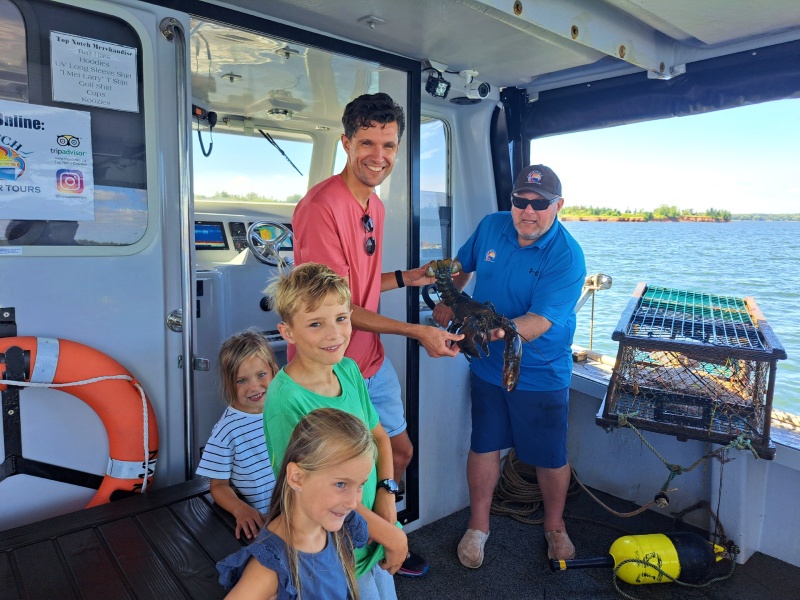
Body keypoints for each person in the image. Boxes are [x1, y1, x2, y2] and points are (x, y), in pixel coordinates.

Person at [292, 92, 462, 577]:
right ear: (346, 143)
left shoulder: (375, 206)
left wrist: (410, 277)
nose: (379, 156)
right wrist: (418, 331)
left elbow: (358, 284)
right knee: (341, 477)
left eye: (389, 145)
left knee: (399, 452)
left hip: (369, 359)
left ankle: (379, 537)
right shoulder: (322, 207)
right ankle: (349, 562)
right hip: (330, 369)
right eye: (367, 142)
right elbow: (334, 307)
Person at [432, 164, 586, 566]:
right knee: (484, 442)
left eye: (540, 203)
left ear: (558, 206)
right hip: (486, 368)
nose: (528, 211)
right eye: (521, 201)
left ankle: (555, 526)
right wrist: (451, 297)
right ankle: (478, 526)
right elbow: (461, 265)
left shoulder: (567, 256)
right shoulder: (491, 226)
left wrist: (493, 330)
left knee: (549, 454)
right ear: (512, 201)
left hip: (540, 370)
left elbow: (539, 321)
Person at [263, 263, 407, 600]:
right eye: (316, 324)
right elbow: (312, 494)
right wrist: (389, 533)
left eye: (341, 318)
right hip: (337, 550)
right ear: (288, 333)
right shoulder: (287, 402)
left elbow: (380, 437)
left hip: (373, 530)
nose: (334, 334)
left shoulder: (348, 370)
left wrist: (387, 495)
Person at [217, 408, 374, 599]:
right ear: (297, 478)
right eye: (341, 484)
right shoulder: (270, 568)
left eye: (360, 486)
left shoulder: (341, 527)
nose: (353, 502)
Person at [196, 330, 279, 540]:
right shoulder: (227, 429)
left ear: (273, 371)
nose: (254, 387)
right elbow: (218, 486)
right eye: (242, 380)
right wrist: (241, 510)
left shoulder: (283, 409)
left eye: (261, 375)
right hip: (264, 523)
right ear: (229, 383)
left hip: (299, 511)